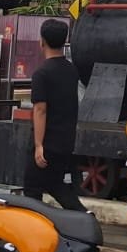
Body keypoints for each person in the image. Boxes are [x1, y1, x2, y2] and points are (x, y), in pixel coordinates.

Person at [24, 18, 88, 213]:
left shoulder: (41, 74)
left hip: (47, 143)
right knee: (55, 185)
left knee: (32, 190)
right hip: (66, 141)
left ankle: (35, 232)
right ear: (65, 41)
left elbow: (40, 110)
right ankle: (84, 215)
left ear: (42, 41)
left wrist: (38, 145)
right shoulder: (71, 70)